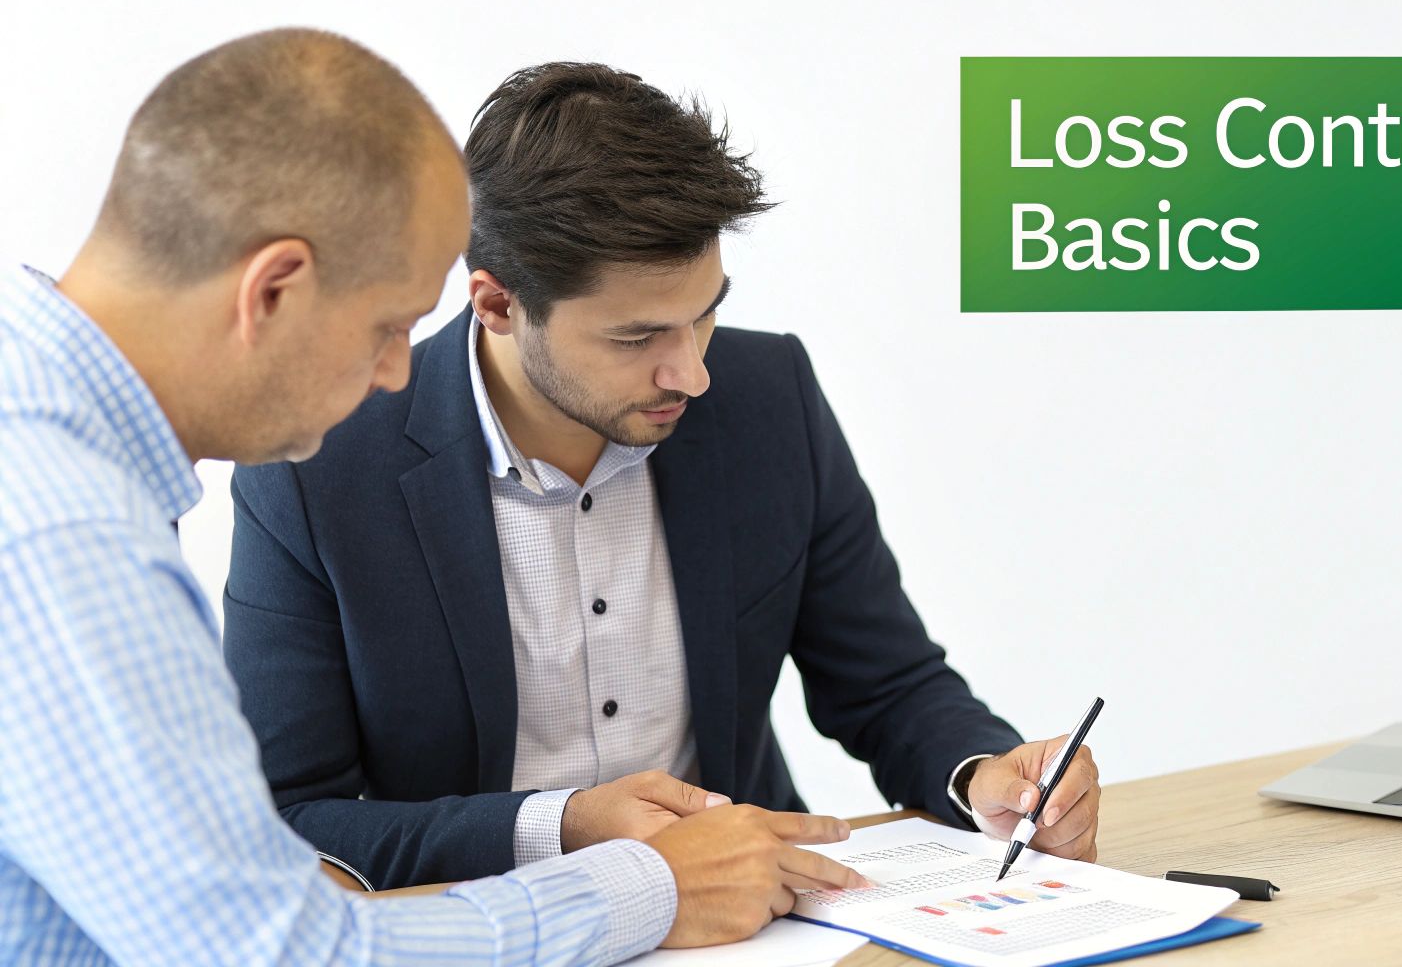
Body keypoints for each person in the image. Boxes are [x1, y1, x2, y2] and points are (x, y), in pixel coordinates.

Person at [0, 28, 866, 966]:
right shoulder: (65, 536)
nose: (394, 372)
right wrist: (646, 887)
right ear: (275, 289)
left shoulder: (45, 439)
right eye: (387, 325)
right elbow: (282, 951)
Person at [222, 61, 1104, 891]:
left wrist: (984, 774)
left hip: (758, 924)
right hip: (488, 926)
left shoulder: (768, 399)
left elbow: (888, 684)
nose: (692, 373)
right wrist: (562, 826)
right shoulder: (318, 466)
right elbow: (289, 818)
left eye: (705, 315)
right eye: (637, 338)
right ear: (495, 303)